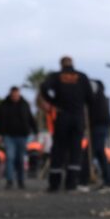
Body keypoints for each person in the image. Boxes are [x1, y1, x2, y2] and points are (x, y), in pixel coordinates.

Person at [39, 56, 94, 192]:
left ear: (61, 64)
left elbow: (43, 87)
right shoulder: (82, 77)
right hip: (77, 117)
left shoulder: (57, 76)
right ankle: (71, 184)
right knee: (76, 150)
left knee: (58, 149)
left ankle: (54, 185)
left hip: (62, 116)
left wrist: (53, 101)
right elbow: (90, 97)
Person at [0, 87, 36, 190]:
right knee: (10, 157)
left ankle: (21, 181)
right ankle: (9, 180)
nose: (15, 97)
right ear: (10, 94)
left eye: (16, 95)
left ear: (19, 94)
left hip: (22, 136)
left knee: (20, 159)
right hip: (8, 135)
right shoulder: (3, 105)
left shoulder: (25, 104)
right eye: (13, 95)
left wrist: (36, 131)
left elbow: (30, 118)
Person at [88, 80, 110, 192]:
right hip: (101, 125)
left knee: (97, 151)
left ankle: (107, 181)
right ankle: (108, 181)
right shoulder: (101, 97)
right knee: (99, 153)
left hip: (98, 125)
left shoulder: (95, 97)